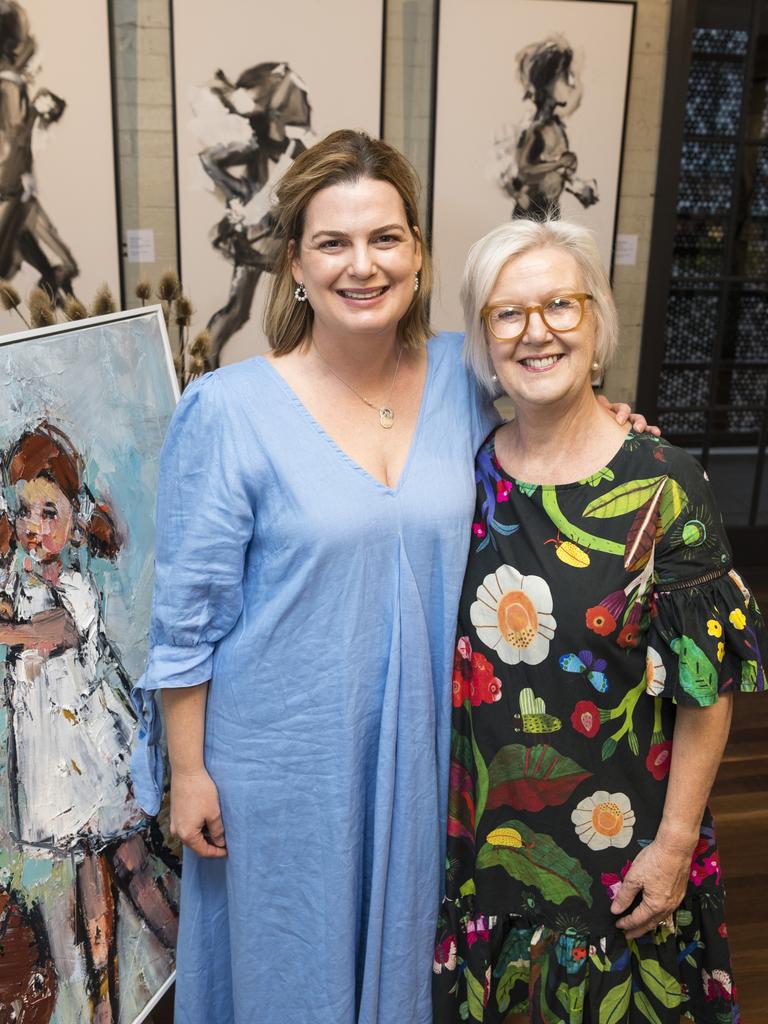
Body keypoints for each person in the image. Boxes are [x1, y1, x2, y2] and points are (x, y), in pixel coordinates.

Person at [130, 130, 649, 1024]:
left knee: (412, 973)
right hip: (280, 761)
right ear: (295, 261)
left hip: (431, 750)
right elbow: (187, 617)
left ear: (417, 254)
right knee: (287, 977)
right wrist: (188, 772)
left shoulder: (469, 373)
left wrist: (604, 416)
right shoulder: (228, 410)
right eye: (333, 242)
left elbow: (555, 428)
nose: (361, 265)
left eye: (385, 239)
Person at [432, 218, 766, 1024]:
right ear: (482, 339)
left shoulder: (664, 485)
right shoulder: (459, 472)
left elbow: (706, 689)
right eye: (508, 314)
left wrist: (676, 843)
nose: (537, 331)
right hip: (484, 852)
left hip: (624, 858)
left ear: (597, 322)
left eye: (560, 304)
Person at [0, 423, 178, 1024]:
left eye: (49, 511)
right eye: (25, 512)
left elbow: (58, 633)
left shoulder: (74, 585)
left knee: (130, 871)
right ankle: (107, 1005)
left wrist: (7, 632)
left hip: (94, 758)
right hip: (57, 767)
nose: (35, 526)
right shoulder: (16, 582)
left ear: (75, 519)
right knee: (108, 873)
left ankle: (183, 956)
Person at [0, 1, 79, 304]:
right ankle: (52, 292)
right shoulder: (10, 82)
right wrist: (38, 109)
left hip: (14, 186)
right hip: (13, 187)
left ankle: (51, 292)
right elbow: (17, 134)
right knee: (63, 263)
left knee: (52, 263)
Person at [496, 36, 598, 220]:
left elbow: (551, 172)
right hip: (531, 214)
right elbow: (525, 168)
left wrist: (578, 187)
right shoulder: (537, 127)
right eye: (565, 77)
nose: (571, 84)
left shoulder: (556, 126)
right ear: (549, 82)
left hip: (549, 210)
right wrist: (559, 163)